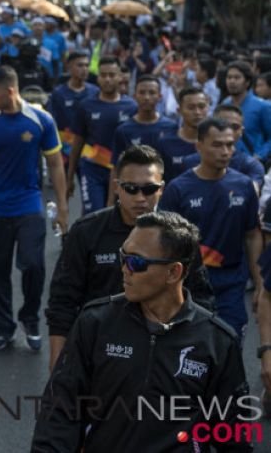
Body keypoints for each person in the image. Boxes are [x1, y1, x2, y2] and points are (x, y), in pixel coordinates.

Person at [33, 211, 252, 452]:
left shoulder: (217, 342)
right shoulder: (94, 323)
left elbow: (234, 434)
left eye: (136, 262)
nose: (124, 269)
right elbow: (60, 411)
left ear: (173, 272)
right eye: (122, 256)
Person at [46, 145, 213, 369]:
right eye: (131, 188)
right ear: (116, 187)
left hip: (163, 351)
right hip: (99, 349)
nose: (140, 198)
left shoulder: (180, 236)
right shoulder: (86, 231)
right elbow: (62, 300)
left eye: (149, 189)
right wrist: (58, 362)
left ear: (162, 189)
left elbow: (201, 299)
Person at [0, 66, 68, 352]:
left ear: (10, 91)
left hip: (28, 203)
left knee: (34, 263)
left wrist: (63, 208)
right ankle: (4, 327)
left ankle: (30, 319)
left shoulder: (41, 120)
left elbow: (57, 164)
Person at [159, 117, 262, 340]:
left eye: (230, 145)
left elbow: (252, 236)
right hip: (189, 285)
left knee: (231, 345)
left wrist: (261, 285)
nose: (225, 151)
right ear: (199, 146)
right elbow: (164, 243)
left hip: (232, 283)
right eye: (217, 145)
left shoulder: (244, 186)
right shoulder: (178, 189)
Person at [67, 56, 138, 214]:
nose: (107, 79)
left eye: (112, 75)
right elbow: (78, 142)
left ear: (120, 77)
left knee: (117, 215)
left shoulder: (132, 107)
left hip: (121, 172)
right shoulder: (86, 106)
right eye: (103, 75)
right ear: (97, 77)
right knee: (94, 214)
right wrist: (69, 176)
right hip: (92, 169)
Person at [107, 74, 177, 203]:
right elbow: (116, 168)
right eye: (142, 92)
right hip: (133, 195)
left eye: (152, 93)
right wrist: (111, 201)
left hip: (163, 195)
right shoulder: (123, 130)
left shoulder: (171, 127)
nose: (147, 97)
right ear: (135, 96)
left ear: (160, 96)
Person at [184, 104, 264, 192]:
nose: (228, 130)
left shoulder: (252, 166)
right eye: (222, 125)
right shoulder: (189, 162)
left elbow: (250, 196)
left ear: (241, 131)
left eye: (234, 127)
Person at [47, 52, 99, 171]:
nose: (84, 69)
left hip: (90, 151)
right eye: (80, 65)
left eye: (87, 65)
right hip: (65, 150)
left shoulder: (95, 92)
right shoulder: (58, 94)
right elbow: (52, 124)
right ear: (69, 67)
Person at [154, 86, 209, 183]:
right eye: (191, 107)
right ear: (179, 111)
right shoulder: (165, 144)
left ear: (208, 108)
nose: (197, 112)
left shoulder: (216, 143)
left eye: (201, 107)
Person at [222, 60, 271, 162]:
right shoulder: (224, 105)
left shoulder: (262, 106)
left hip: (252, 162)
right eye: (229, 77)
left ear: (247, 82)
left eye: (237, 77)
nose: (232, 81)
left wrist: (259, 155)